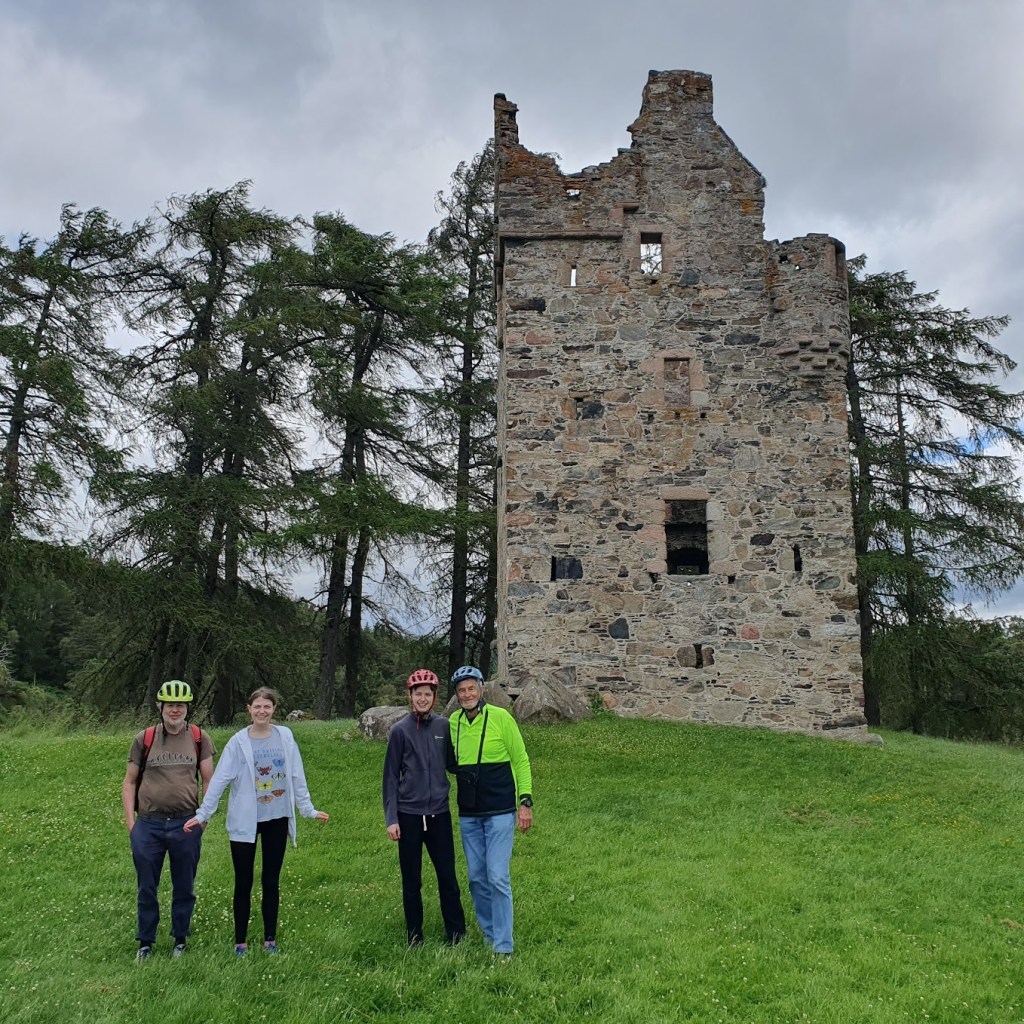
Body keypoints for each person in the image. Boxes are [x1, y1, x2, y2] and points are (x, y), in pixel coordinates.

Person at [184, 687, 329, 955]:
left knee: (271, 880)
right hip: (245, 821)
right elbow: (220, 781)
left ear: (274, 709)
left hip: (276, 818)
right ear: (249, 710)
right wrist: (203, 813)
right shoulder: (238, 742)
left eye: (267, 706)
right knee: (244, 880)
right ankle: (240, 941)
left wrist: (307, 809)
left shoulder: (285, 736)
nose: (262, 711)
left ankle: (269, 939)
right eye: (257, 707)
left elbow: (296, 774)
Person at [122, 679, 216, 962]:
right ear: (161, 707)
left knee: (184, 884)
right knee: (147, 886)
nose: (175, 710)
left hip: (186, 823)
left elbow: (209, 780)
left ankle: (180, 939)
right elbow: (129, 782)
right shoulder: (144, 738)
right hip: (148, 824)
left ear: (187, 708)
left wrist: (204, 817)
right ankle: (146, 942)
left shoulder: (200, 737)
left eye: (180, 706)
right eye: (170, 705)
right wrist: (131, 824)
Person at [448, 665, 533, 957]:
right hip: (469, 813)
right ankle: (489, 933)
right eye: (462, 690)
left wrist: (526, 801)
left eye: (472, 688)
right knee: (476, 877)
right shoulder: (453, 723)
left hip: (500, 811)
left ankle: (504, 946)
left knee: (497, 876)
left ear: (482, 689)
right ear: (457, 695)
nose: (467, 694)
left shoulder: (501, 718)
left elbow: (520, 759)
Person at [382, 668, 466, 947]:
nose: (422, 698)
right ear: (410, 696)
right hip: (408, 815)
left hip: (439, 813)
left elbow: (453, 763)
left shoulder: (443, 727)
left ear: (434, 697)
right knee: (412, 881)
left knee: (447, 877)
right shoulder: (399, 731)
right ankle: (414, 935)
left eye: (427, 694)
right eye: (418, 694)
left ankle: (456, 933)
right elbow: (391, 777)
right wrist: (391, 818)